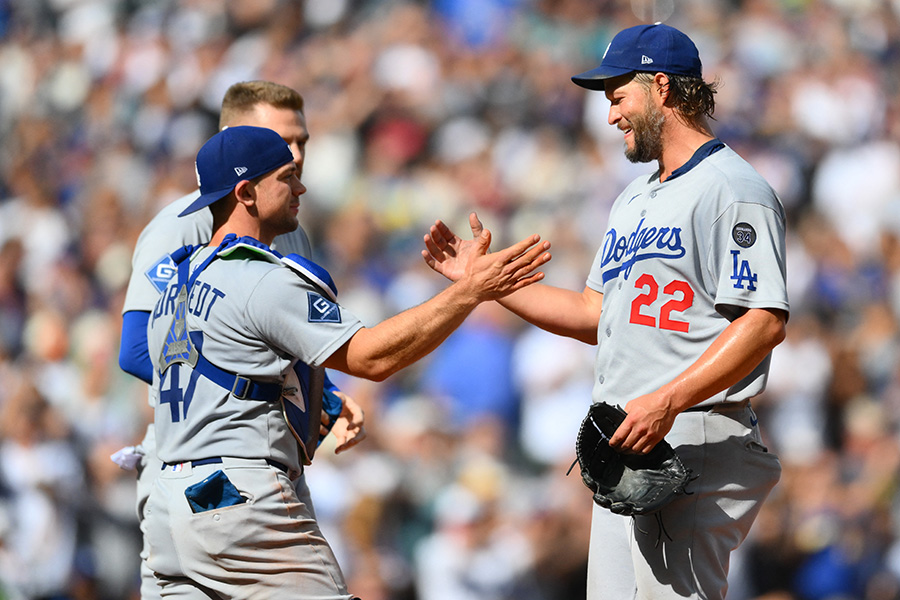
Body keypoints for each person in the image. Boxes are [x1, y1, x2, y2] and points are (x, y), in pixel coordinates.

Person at [422, 23, 789, 600]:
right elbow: (593, 313)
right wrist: (484, 284)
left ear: (661, 87)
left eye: (619, 97)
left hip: (690, 430)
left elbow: (763, 322)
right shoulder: (633, 197)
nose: (611, 114)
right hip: (628, 435)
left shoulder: (732, 188)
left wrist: (668, 400)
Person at [144, 124, 551, 598]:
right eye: (286, 177)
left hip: (168, 504)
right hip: (237, 497)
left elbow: (230, 369)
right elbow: (373, 357)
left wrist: (325, 398)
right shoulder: (258, 277)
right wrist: (470, 292)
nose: (300, 188)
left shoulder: (174, 284)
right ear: (246, 192)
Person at [114, 81, 365, 600]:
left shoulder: (290, 227)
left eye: (301, 141)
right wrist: (267, 390)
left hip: (253, 464)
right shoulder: (184, 225)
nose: (294, 153)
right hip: (203, 457)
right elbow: (140, 349)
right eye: (279, 139)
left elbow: (276, 336)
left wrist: (323, 393)